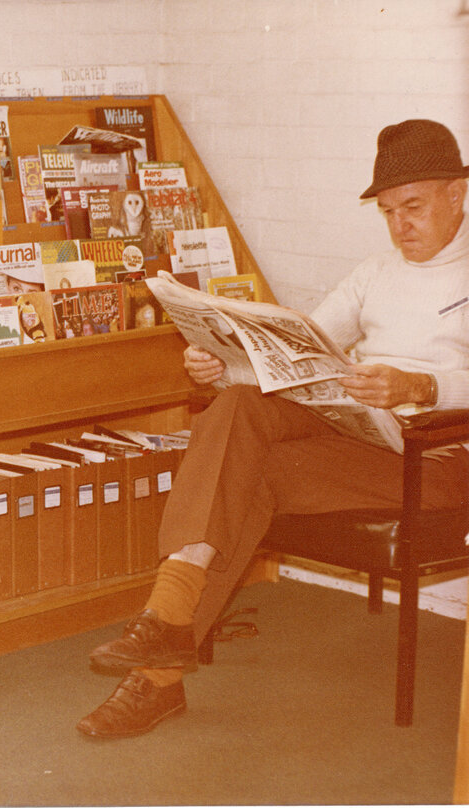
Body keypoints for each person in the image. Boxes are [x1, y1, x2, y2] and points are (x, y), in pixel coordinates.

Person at [76, 118, 469, 739]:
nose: (401, 226)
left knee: (248, 476)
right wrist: (222, 363)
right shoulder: (375, 273)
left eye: (413, 206)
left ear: (457, 192)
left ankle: (160, 655)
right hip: (366, 440)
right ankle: (166, 635)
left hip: (440, 457)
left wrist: (422, 388)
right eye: (389, 211)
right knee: (235, 408)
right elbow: (295, 349)